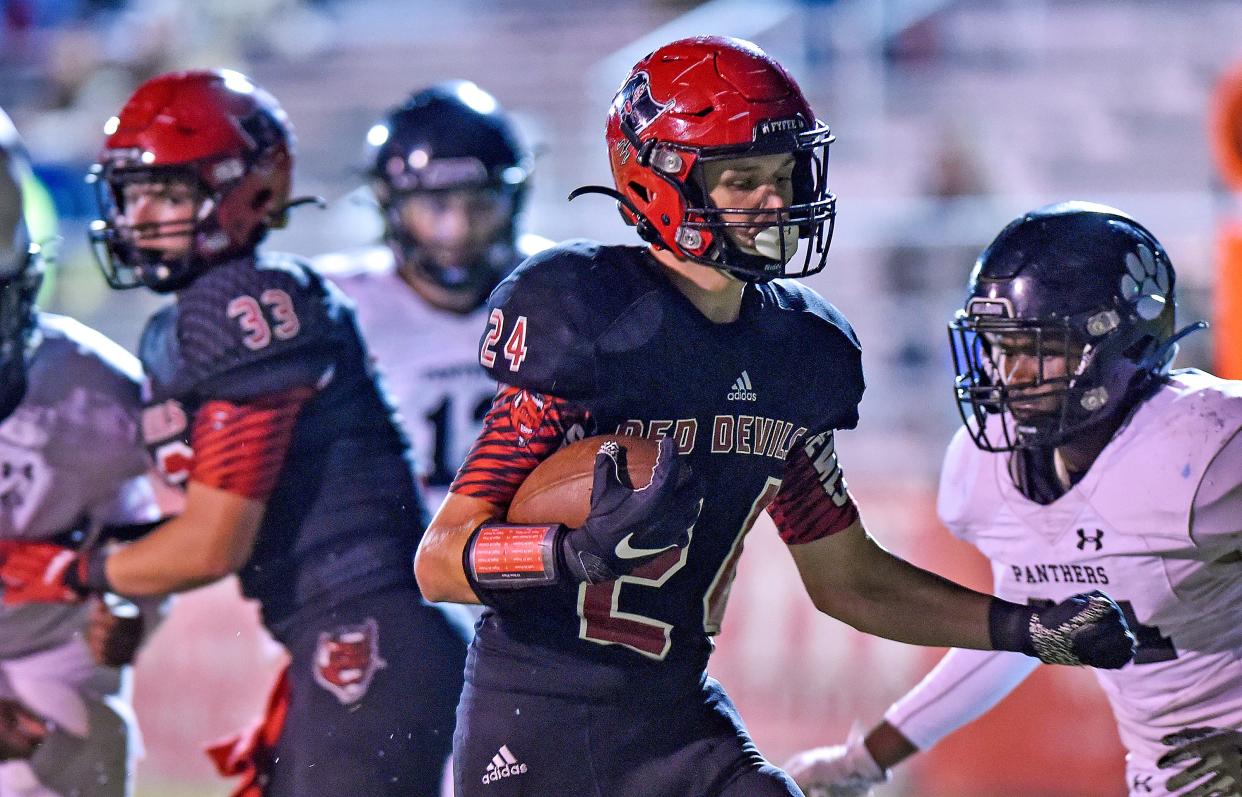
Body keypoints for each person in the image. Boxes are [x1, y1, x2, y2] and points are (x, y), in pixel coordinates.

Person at [413, 37, 1137, 797]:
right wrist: (566, 552)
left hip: (676, 718)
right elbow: (441, 558)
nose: (775, 199)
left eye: (784, 173)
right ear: (661, 182)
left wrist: (1025, 627)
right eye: (744, 179)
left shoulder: (799, 351)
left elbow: (848, 578)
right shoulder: (587, 315)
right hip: (538, 724)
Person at [0, 71, 470, 796]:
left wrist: (68, 570)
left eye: (172, 193)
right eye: (133, 192)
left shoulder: (238, 303)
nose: (140, 215)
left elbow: (212, 541)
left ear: (246, 191)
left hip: (364, 623)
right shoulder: (202, 314)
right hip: (349, 626)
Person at [783, 202, 1242, 797]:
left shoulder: (1210, 447)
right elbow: (1020, 635)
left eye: (1041, 347)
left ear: (1119, 339)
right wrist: (864, 759)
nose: (1011, 373)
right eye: (1000, 346)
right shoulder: (987, 469)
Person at [0, 106, 172, 797]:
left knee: (83, 738)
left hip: (49, 655)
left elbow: (145, 541)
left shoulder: (97, 390)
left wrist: (129, 609)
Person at [316, 81, 551, 506]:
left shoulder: (563, 286)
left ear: (512, 201)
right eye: (434, 207)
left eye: (479, 205)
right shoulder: (333, 305)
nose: (456, 230)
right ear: (390, 207)